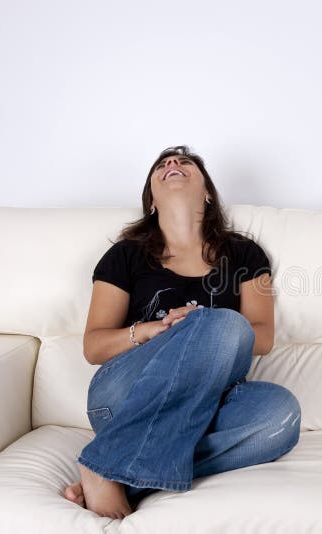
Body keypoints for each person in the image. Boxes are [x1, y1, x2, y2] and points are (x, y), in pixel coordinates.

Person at [62, 146, 300, 519]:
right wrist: (157, 329)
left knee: (280, 415)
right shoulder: (124, 256)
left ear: (207, 192)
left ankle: (111, 471)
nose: (173, 164)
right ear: (151, 201)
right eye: (163, 165)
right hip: (124, 397)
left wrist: (201, 323)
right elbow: (94, 346)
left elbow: (263, 336)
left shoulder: (245, 254)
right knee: (218, 321)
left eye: (184, 162)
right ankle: (118, 465)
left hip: (208, 401)